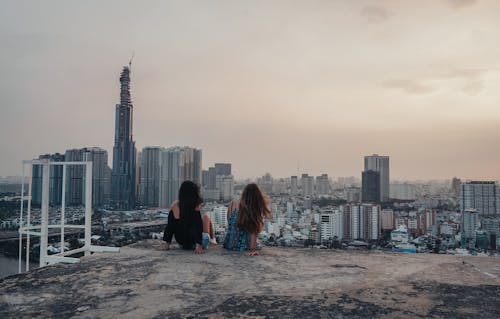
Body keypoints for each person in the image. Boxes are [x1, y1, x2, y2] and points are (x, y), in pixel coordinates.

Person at [162, 181, 214, 254]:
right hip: (194, 243)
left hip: (181, 242)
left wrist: (167, 243)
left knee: (204, 219)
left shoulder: (175, 208)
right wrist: (199, 244)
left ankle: (209, 240)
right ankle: (213, 239)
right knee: (206, 236)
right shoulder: (195, 209)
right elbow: (198, 227)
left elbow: (170, 227)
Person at [223, 183, 272, 256]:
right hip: (245, 247)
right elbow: (253, 231)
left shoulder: (233, 204)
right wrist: (252, 249)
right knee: (258, 242)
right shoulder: (253, 210)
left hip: (229, 244)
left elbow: (230, 223)